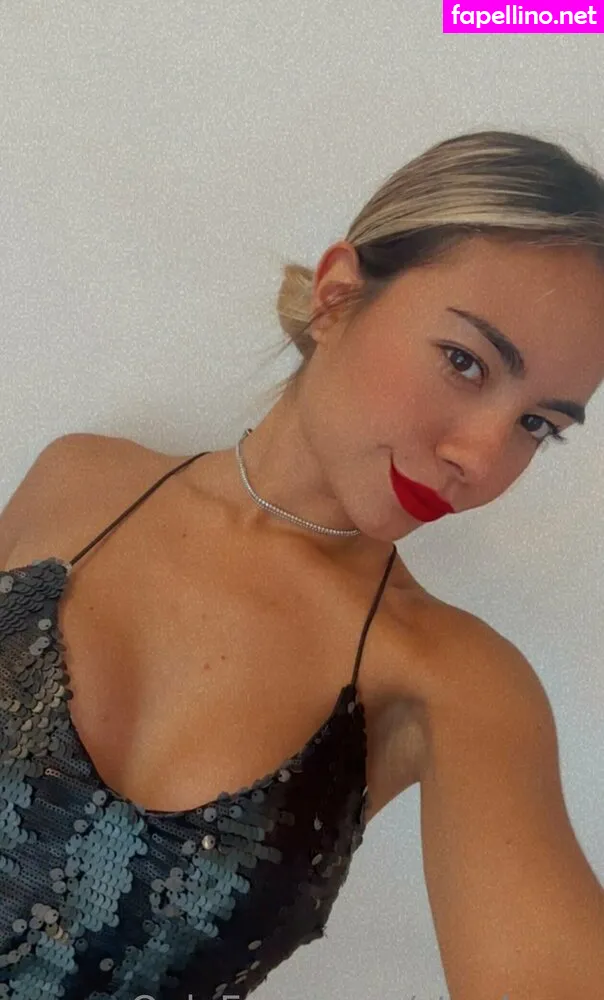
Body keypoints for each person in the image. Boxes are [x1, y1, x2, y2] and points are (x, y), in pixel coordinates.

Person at [0, 128, 603, 1000]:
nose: (481, 456)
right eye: (465, 362)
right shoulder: (77, 483)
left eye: (538, 425)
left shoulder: (454, 684)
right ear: (336, 296)